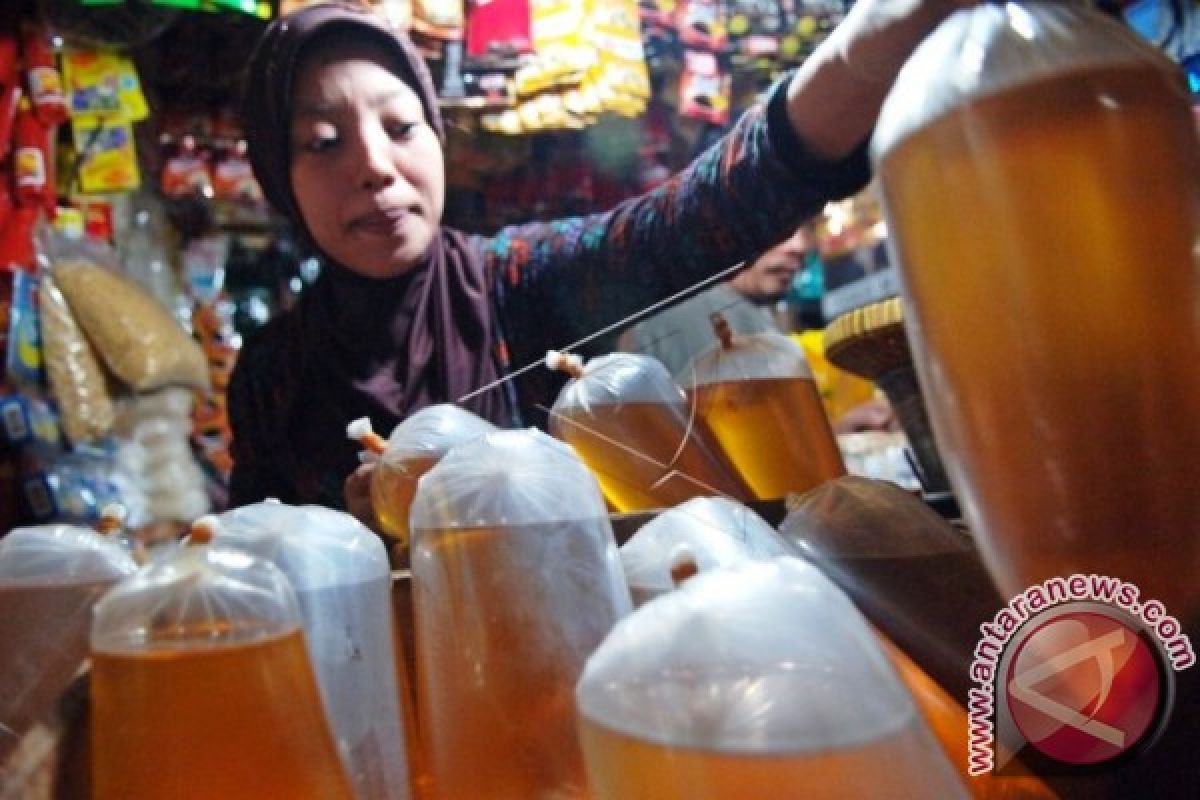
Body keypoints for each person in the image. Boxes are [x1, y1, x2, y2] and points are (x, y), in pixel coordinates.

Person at [227, 0, 968, 525]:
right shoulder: (273, 374)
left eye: (400, 126)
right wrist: (347, 533)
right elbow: (264, 576)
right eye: (324, 141)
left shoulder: (512, 284)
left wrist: (872, 37)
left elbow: (691, 219)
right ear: (275, 176)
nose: (377, 167)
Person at [617, 226, 811, 377]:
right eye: (782, 227)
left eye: (804, 232)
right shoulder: (676, 310)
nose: (799, 246)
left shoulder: (759, 313)